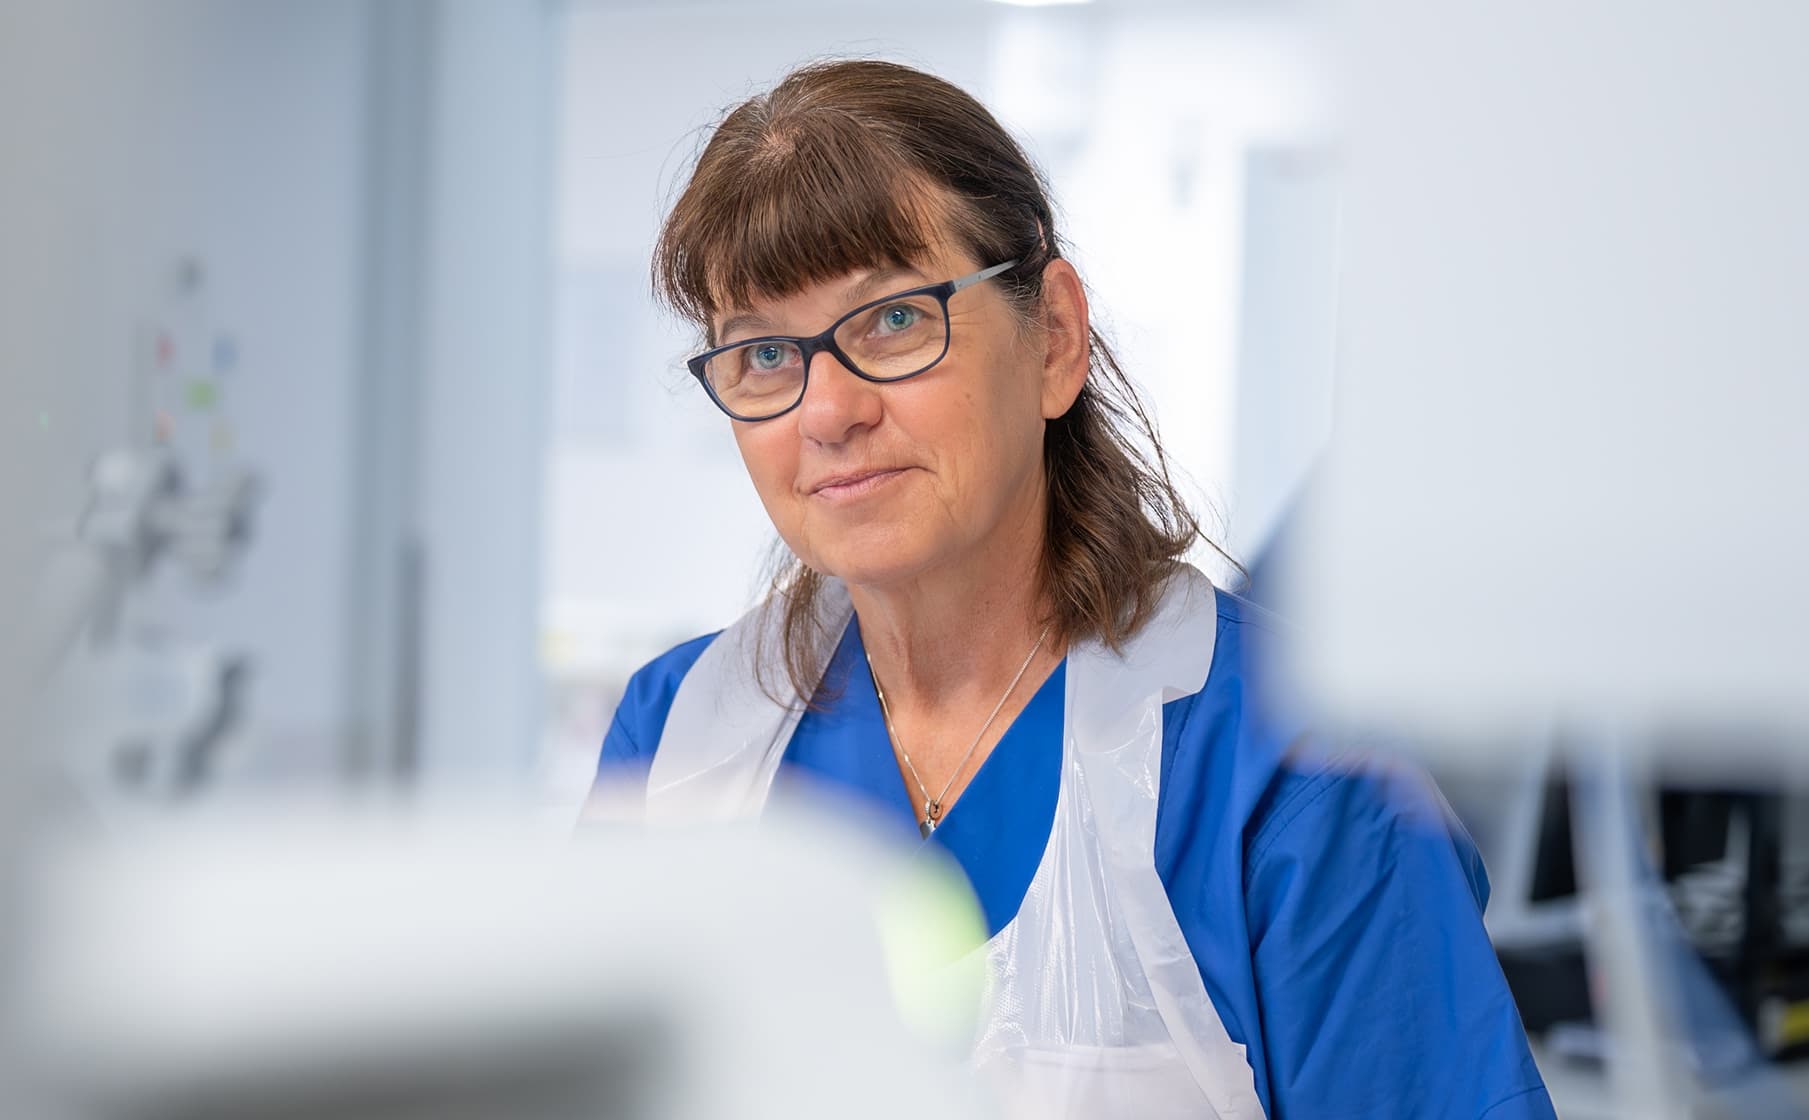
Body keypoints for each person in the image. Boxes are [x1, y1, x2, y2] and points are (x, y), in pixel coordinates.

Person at [589, 59, 1553, 1119]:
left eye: (895, 321)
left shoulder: (1290, 775)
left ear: (1053, 336)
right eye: (766, 352)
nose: (827, 412)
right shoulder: (677, 738)